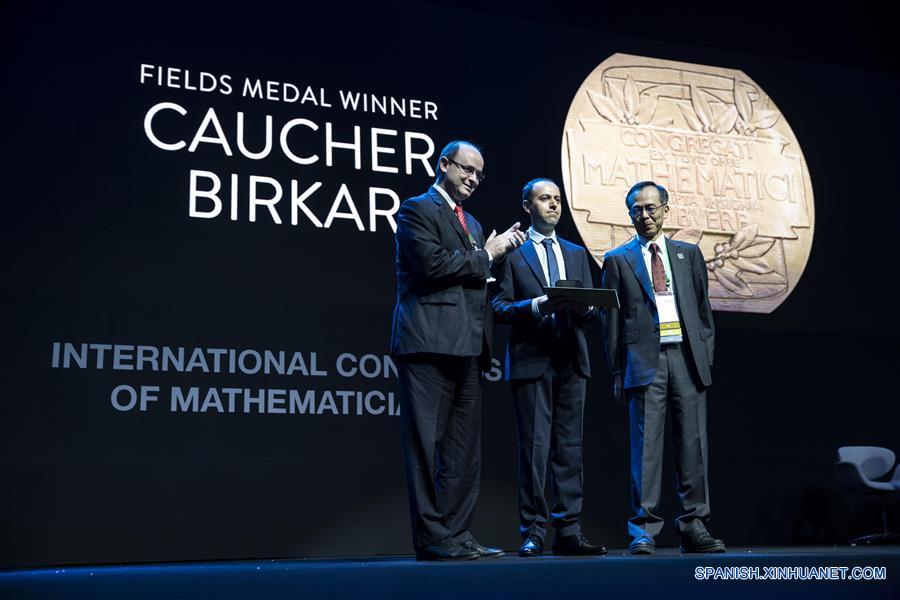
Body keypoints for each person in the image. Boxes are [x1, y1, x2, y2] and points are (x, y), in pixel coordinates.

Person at [390, 140, 526, 561]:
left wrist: (492, 259)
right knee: (425, 447)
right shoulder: (416, 209)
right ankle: (432, 538)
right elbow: (432, 266)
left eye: (479, 174)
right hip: (428, 342)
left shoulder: (472, 221)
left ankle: (458, 533)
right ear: (443, 164)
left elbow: (474, 276)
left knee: (464, 451)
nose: (473, 179)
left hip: (468, 346)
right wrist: (488, 253)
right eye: (466, 169)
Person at [600, 181, 725, 555]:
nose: (645, 215)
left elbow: (704, 313)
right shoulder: (618, 259)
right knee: (646, 449)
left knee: (693, 445)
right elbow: (612, 323)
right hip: (643, 363)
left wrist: (705, 355)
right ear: (629, 214)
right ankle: (643, 529)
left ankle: (694, 525)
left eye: (652, 208)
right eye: (637, 209)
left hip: (686, 359)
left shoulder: (688, 254)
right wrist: (618, 371)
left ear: (666, 209)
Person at [491, 178, 607, 557]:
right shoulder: (513, 252)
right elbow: (500, 307)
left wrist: (588, 309)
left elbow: (590, 309)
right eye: (545, 199)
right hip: (532, 359)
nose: (554, 205)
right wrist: (539, 305)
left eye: (557, 199)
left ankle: (569, 531)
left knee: (570, 449)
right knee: (535, 450)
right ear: (527, 206)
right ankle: (534, 531)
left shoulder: (575, 252)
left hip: (572, 358)